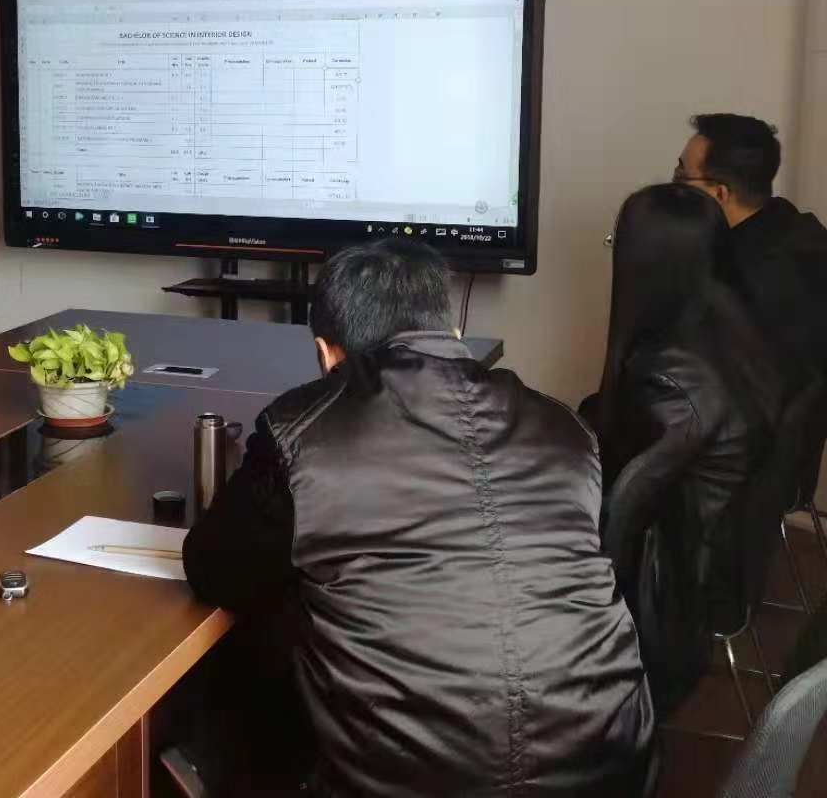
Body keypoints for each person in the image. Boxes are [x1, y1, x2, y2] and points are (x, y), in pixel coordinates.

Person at [183, 239, 654, 797]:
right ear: (452, 332)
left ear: (325, 354)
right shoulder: (565, 428)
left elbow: (216, 571)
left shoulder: (301, 430)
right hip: (608, 765)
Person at [591, 183, 782, 710]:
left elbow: (616, 524)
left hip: (654, 617)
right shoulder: (732, 331)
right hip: (702, 581)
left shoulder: (670, 381)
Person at [676, 113, 827, 389]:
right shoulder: (796, 227)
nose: (672, 186)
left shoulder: (739, 284)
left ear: (720, 194)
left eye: (681, 176)